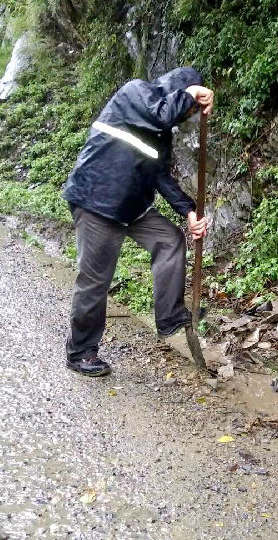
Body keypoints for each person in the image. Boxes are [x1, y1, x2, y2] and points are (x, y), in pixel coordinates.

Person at [61, 67, 214, 377]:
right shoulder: (135, 93)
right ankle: (81, 352)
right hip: (97, 201)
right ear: (179, 90)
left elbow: (161, 176)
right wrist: (190, 95)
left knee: (169, 240)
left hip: (132, 207)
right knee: (96, 280)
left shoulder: (160, 133)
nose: (189, 115)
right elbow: (161, 114)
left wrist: (188, 211)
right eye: (191, 109)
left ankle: (169, 316)